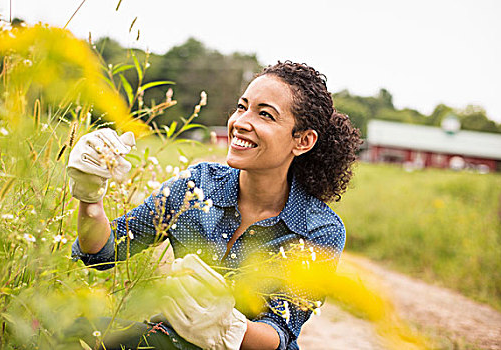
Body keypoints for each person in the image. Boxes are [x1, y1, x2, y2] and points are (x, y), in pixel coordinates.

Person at [66, 61, 362, 350]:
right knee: (68, 333)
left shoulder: (318, 229)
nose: (241, 122)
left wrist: (229, 328)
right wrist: (90, 197)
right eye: (242, 107)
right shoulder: (197, 185)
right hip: (166, 340)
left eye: (265, 115)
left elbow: (279, 333)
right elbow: (104, 252)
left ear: (303, 140)